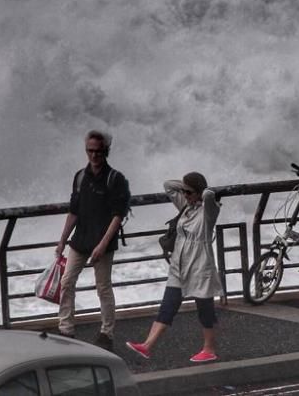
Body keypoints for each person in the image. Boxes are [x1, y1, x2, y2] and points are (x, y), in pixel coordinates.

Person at [126, 172, 223, 363]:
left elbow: (209, 195)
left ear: (198, 192)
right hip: (179, 264)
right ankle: (147, 346)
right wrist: (186, 186)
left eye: (189, 192)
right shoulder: (185, 206)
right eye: (184, 191)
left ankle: (209, 349)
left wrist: (200, 191)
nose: (185, 195)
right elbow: (168, 185)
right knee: (168, 305)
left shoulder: (208, 212)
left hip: (199, 266)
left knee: (205, 310)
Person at [55, 129, 131, 351]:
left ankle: (106, 333)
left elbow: (118, 215)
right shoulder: (80, 176)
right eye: (90, 151)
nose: (94, 155)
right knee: (67, 281)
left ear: (105, 151)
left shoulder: (115, 179)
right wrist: (62, 240)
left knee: (103, 288)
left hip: (102, 242)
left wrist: (103, 245)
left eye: (98, 151)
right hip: (80, 239)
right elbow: (74, 212)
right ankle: (66, 328)